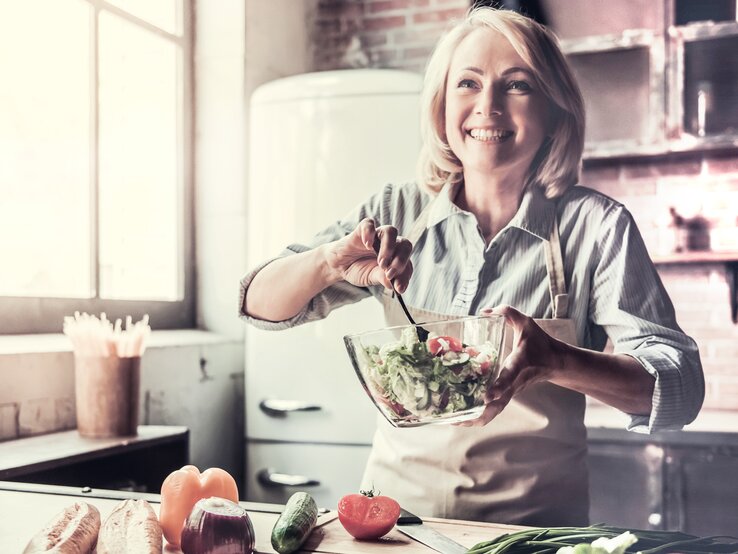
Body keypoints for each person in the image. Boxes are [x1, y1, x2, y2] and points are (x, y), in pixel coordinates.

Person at [240, 6, 704, 526]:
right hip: (394, 528)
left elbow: (681, 389)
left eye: (518, 85)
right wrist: (328, 262)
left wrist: (556, 360)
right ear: (441, 108)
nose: (488, 107)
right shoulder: (398, 211)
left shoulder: (596, 227)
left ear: (555, 111)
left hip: (526, 535)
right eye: (467, 83)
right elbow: (257, 303)